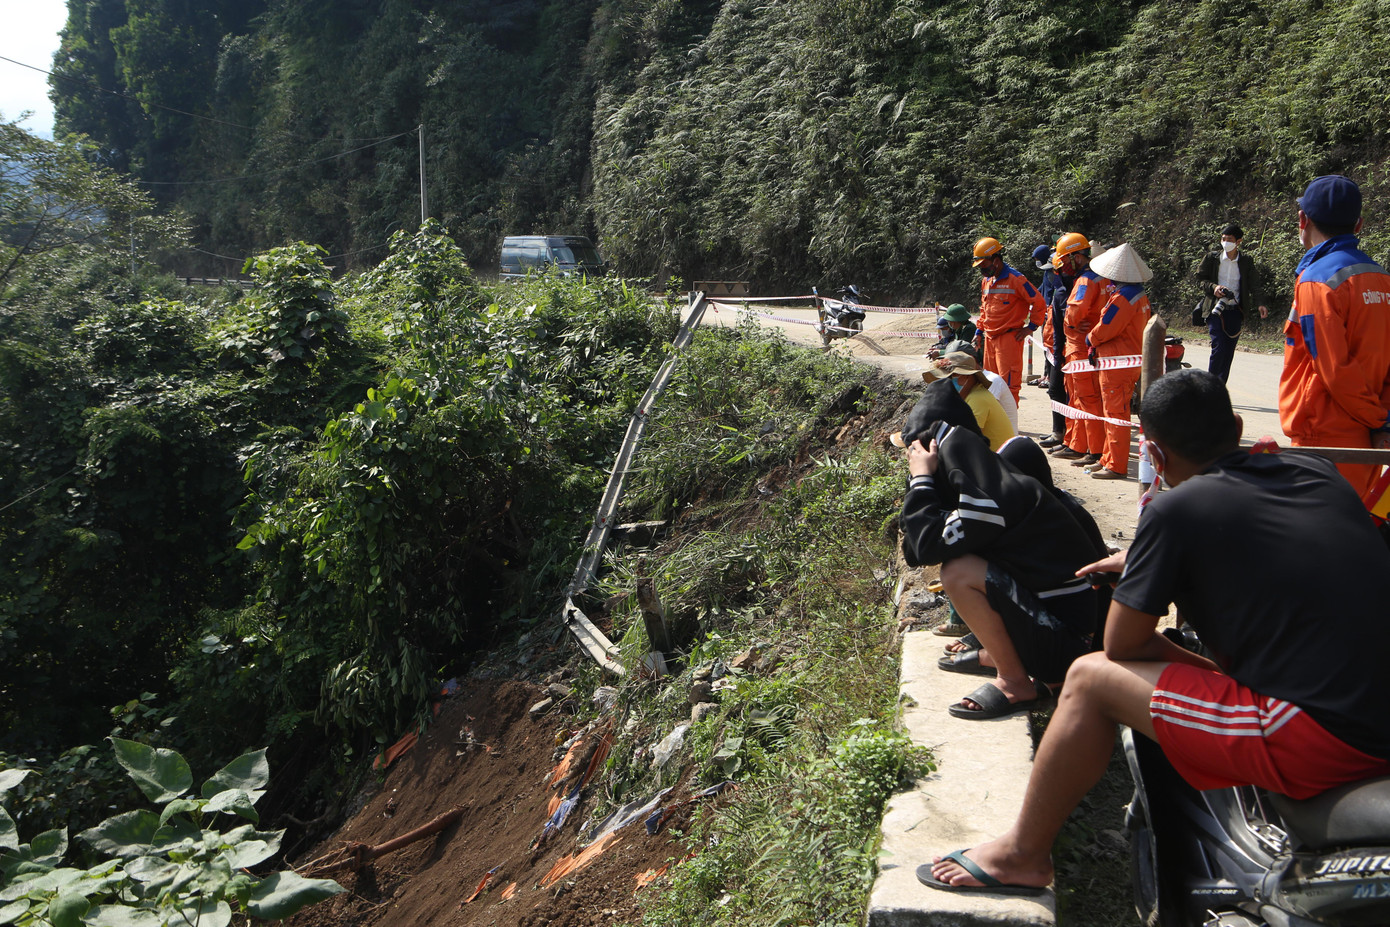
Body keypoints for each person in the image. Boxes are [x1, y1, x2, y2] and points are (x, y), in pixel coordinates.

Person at [920, 369, 1390, 896]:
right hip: (1374, 704)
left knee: (1090, 677)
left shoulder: (1174, 510)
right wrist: (1149, 561)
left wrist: (1156, 566)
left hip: (1324, 734)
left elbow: (1124, 647)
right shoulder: (1316, 472)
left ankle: (1022, 855)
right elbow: (1270, 539)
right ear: (1236, 426)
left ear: (1156, 457)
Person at [894, 379, 1099, 720]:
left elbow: (926, 547)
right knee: (966, 560)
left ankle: (1014, 681)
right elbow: (915, 548)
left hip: (1067, 647)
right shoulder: (989, 485)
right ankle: (1003, 653)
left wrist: (921, 480)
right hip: (1062, 631)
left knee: (958, 572)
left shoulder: (988, 502)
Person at [1279, 174, 1390, 504]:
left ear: (1303, 219)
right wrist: (1382, 420)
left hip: (1324, 434)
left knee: (1316, 540)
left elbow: (1333, 368)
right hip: (1368, 435)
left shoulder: (1317, 280)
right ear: (1359, 225)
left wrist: (1378, 418)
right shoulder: (1381, 277)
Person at [1084, 243, 1152, 480]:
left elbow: (1107, 327)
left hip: (1117, 363)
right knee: (1113, 412)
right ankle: (1107, 458)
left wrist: (1090, 338)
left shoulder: (1123, 298)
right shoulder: (1139, 294)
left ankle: (1115, 465)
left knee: (1116, 414)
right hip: (1125, 361)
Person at [1050, 233, 1106, 469]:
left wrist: (1070, 324)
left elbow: (1073, 315)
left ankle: (1092, 450)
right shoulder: (1098, 278)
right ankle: (1076, 444)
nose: (1063, 267)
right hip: (1081, 347)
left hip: (1081, 348)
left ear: (1076, 256)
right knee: (1077, 398)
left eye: (1064, 261)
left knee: (1087, 399)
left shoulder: (1086, 281)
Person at [972, 237, 1046, 405]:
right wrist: (979, 331)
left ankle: (1010, 428)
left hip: (1009, 340)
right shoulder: (986, 281)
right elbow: (985, 309)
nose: (982, 270)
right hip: (989, 340)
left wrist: (1031, 327)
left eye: (984, 265)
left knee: (1008, 386)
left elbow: (1039, 302)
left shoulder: (1016, 279)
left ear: (996, 261)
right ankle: (995, 425)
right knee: (989, 384)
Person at [1197, 223, 1269, 383]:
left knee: (1229, 350)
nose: (1225, 242)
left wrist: (1260, 303)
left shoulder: (1246, 261)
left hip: (1235, 310)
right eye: (1223, 239)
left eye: (1229, 239)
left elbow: (1254, 284)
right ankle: (1210, 387)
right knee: (1219, 347)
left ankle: (1220, 387)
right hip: (1215, 309)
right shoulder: (1212, 259)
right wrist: (1213, 287)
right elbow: (1200, 279)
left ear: (1239, 241)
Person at [924, 351, 1017, 450]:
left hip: (998, 460)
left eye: (949, 378)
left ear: (966, 377)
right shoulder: (968, 396)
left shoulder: (978, 399)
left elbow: (967, 441)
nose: (944, 384)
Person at [1039, 249, 1075, 449]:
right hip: (1056, 349)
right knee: (1055, 390)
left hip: (1068, 351)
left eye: (1055, 271)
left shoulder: (1074, 291)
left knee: (1068, 394)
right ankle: (1058, 432)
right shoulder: (1059, 293)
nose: (1052, 275)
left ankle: (1067, 436)